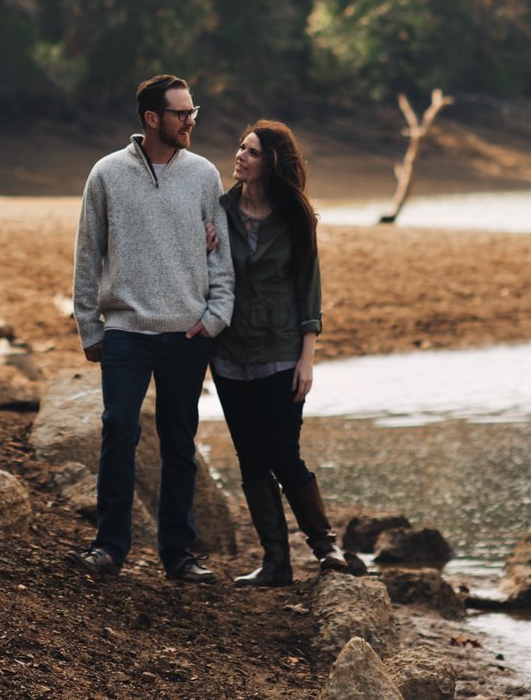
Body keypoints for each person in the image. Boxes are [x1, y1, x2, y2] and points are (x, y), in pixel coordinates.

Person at [69, 73, 233, 581]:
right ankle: (110, 547)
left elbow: (221, 255)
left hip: (187, 332)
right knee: (118, 431)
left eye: (193, 113)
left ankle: (178, 555)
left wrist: (215, 317)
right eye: (182, 114)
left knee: (180, 442)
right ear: (152, 118)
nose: (191, 121)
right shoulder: (107, 174)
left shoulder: (204, 174)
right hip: (125, 330)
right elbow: (87, 251)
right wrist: (89, 326)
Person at [216, 119, 354, 583]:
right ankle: (275, 562)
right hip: (230, 354)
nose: (240, 156)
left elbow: (308, 291)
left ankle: (325, 547)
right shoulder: (219, 211)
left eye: (251, 151)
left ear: (270, 163)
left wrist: (307, 357)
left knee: (284, 453)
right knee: (250, 458)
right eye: (240, 147)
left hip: (280, 352)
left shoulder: (297, 218)